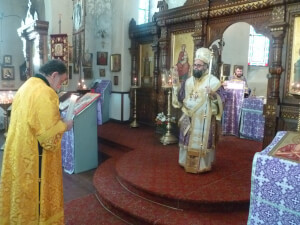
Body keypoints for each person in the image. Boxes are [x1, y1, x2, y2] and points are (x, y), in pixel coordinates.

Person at [0, 59, 73, 224]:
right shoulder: (46, 93)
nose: (60, 86)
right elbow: (48, 139)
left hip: (19, 152)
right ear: (53, 75)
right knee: (36, 197)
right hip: (34, 158)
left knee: (21, 194)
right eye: (61, 81)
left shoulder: (27, 86)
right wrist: (65, 126)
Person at [172, 47, 224, 174]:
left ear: (206, 66)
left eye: (199, 66)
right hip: (188, 116)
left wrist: (212, 94)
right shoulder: (188, 81)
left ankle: (202, 164)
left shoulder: (214, 82)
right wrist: (175, 87)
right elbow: (181, 97)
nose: (196, 67)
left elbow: (223, 100)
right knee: (187, 139)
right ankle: (185, 161)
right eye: (195, 65)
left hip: (204, 119)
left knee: (202, 141)